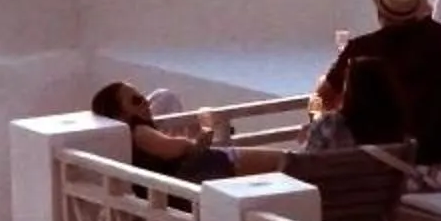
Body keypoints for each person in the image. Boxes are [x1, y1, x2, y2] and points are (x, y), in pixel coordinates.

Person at [315, 0, 441, 181]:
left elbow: (320, 99)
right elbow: (425, 12)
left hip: (398, 176)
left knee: (325, 126)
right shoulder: (437, 36)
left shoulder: (361, 50)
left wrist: (318, 110)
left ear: (379, 10)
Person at [91, 82, 293, 180]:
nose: (145, 103)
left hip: (203, 172)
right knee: (286, 162)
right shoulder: (138, 132)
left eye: (143, 97)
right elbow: (174, 149)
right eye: (136, 101)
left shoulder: (127, 140)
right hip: (213, 166)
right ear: (121, 114)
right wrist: (202, 134)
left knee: (284, 164)